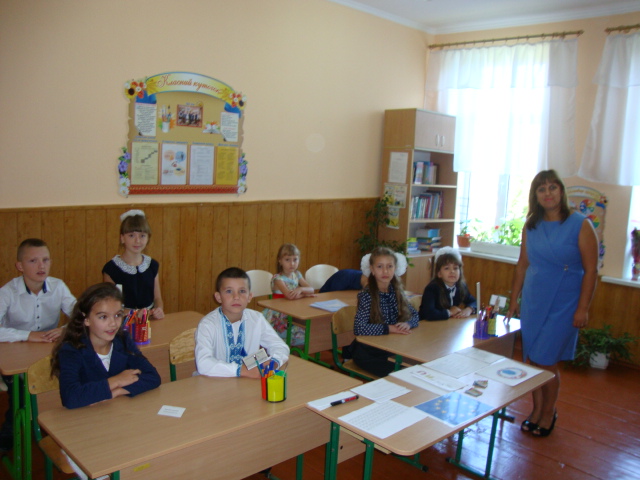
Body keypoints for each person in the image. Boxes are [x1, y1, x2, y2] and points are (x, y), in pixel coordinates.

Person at [506, 170, 598, 438]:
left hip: (565, 302)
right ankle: (536, 410)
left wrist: (583, 308)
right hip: (534, 300)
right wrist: (514, 300)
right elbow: (522, 264)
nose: (548, 193)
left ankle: (549, 412)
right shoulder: (531, 225)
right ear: (535, 195)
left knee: (545, 360)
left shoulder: (580, 224)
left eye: (552, 187)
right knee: (532, 360)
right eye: (541, 189)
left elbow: (591, 271)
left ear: (561, 191)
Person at [50, 282, 160, 479]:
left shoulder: (122, 340)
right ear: (86, 319)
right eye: (103, 317)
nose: (113, 324)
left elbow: (153, 377)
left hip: (117, 422)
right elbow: (71, 397)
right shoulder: (72, 350)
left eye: (117, 315)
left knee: (148, 458)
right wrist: (115, 381)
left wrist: (117, 391)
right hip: (82, 429)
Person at [0, 238, 76, 453]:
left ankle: (59, 428)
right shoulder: (7, 292)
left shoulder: (58, 286)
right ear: (20, 266)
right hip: (15, 356)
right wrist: (28, 335)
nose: (41, 266)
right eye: (33, 261)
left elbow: (81, 315)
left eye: (45, 260)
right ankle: (8, 434)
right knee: (23, 395)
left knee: (70, 379)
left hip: (49, 352)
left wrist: (64, 329)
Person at [195, 267, 290, 377]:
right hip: (214, 381)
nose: (236, 297)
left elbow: (280, 346)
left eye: (242, 291)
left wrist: (274, 362)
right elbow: (203, 363)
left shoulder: (257, 319)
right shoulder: (207, 324)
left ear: (250, 296)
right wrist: (242, 370)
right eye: (229, 291)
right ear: (218, 297)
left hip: (247, 382)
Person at [351, 247, 419, 377]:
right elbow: (359, 328)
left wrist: (408, 324)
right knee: (399, 374)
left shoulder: (397, 292)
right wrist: (389, 328)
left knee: (414, 367)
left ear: (395, 269)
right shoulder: (367, 295)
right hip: (369, 352)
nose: (385, 271)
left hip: (392, 347)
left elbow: (415, 315)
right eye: (380, 267)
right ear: (372, 269)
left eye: (389, 266)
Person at [102, 209, 165, 319]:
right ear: (122, 238)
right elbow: (112, 305)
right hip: (123, 321)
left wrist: (159, 309)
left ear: (148, 238)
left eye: (142, 236)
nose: (137, 241)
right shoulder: (111, 269)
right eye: (131, 235)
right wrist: (134, 313)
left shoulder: (152, 265)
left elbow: (157, 298)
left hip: (150, 320)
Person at [262, 244, 315, 346]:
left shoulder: (297, 274)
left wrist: (301, 289)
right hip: (278, 315)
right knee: (299, 334)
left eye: (295, 259)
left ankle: (294, 350)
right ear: (280, 261)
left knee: (308, 332)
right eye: (287, 260)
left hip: (291, 311)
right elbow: (290, 296)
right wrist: (305, 294)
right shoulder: (278, 278)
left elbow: (311, 289)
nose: (292, 263)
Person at [419, 247, 477, 320]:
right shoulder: (432, 288)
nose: (452, 271)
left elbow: (474, 301)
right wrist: (449, 312)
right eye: (447, 268)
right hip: (427, 324)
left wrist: (469, 309)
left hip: (448, 323)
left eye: (455, 268)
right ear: (439, 273)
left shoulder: (461, 286)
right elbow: (429, 314)